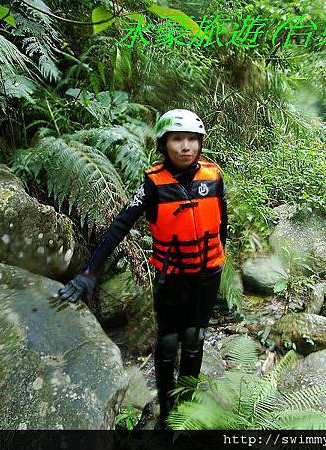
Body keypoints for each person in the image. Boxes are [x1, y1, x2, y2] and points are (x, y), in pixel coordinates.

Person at [57, 109, 228, 428]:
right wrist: (90, 271)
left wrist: (219, 257)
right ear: (164, 145)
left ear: (200, 143)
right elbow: (118, 227)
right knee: (167, 344)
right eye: (177, 139)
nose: (186, 147)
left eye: (192, 139)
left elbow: (222, 221)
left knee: (195, 338)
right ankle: (166, 409)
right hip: (172, 277)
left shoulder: (213, 176)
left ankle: (186, 410)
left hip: (207, 275)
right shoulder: (153, 184)